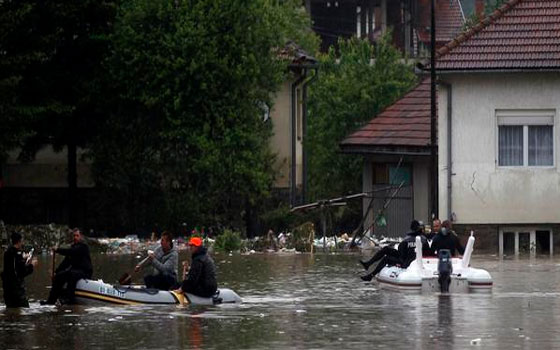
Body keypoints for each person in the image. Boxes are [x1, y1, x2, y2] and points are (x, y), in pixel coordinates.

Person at [360, 220, 431, 281]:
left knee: (386, 258)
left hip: (406, 262)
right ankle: (368, 264)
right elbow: (427, 253)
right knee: (386, 249)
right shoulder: (424, 240)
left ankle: (371, 275)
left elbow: (401, 255)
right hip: (411, 259)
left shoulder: (406, 240)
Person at [42, 228, 93, 305]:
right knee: (59, 276)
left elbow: (72, 252)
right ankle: (51, 301)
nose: (75, 238)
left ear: (81, 237)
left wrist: (58, 250)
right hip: (75, 271)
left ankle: (69, 299)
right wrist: (56, 272)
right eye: (74, 236)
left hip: (85, 272)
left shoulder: (83, 247)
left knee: (71, 274)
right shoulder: (73, 248)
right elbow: (65, 263)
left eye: (77, 236)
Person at [1, 232, 37, 307]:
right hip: (16, 290)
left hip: (7, 289)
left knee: (11, 310)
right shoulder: (17, 254)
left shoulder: (7, 253)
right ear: (19, 241)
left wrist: (23, 259)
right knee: (24, 308)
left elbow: (13, 267)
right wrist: (31, 265)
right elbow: (21, 272)